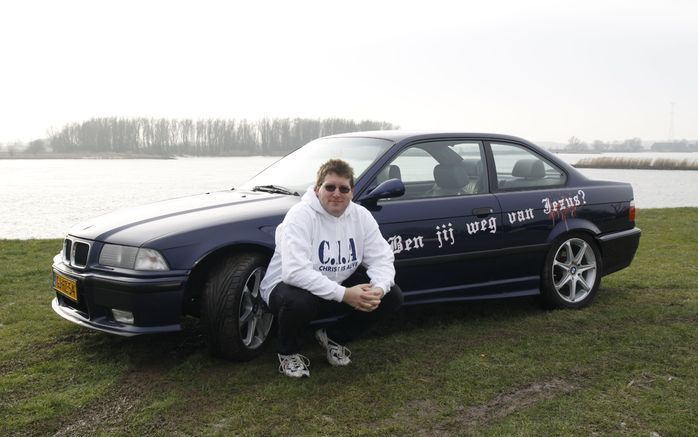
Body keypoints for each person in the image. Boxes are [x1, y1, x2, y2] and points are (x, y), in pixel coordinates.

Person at [260, 158, 403, 378]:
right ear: (318, 189)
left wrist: (379, 288)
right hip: (286, 287)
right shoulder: (300, 216)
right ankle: (288, 353)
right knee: (298, 302)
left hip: (335, 285)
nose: (337, 193)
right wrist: (345, 295)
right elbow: (294, 272)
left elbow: (382, 258)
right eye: (330, 187)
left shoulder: (361, 216)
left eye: (343, 188)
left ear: (352, 192)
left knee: (391, 295)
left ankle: (334, 338)